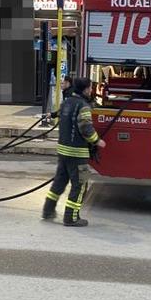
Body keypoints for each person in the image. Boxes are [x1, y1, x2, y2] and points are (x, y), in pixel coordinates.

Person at [42, 77, 106, 227]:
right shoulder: (83, 107)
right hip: (77, 153)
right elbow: (86, 128)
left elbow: (59, 114)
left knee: (59, 182)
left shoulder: (66, 102)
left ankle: (48, 210)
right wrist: (97, 141)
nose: (91, 90)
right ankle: (71, 217)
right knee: (80, 185)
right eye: (90, 88)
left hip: (63, 151)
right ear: (85, 89)